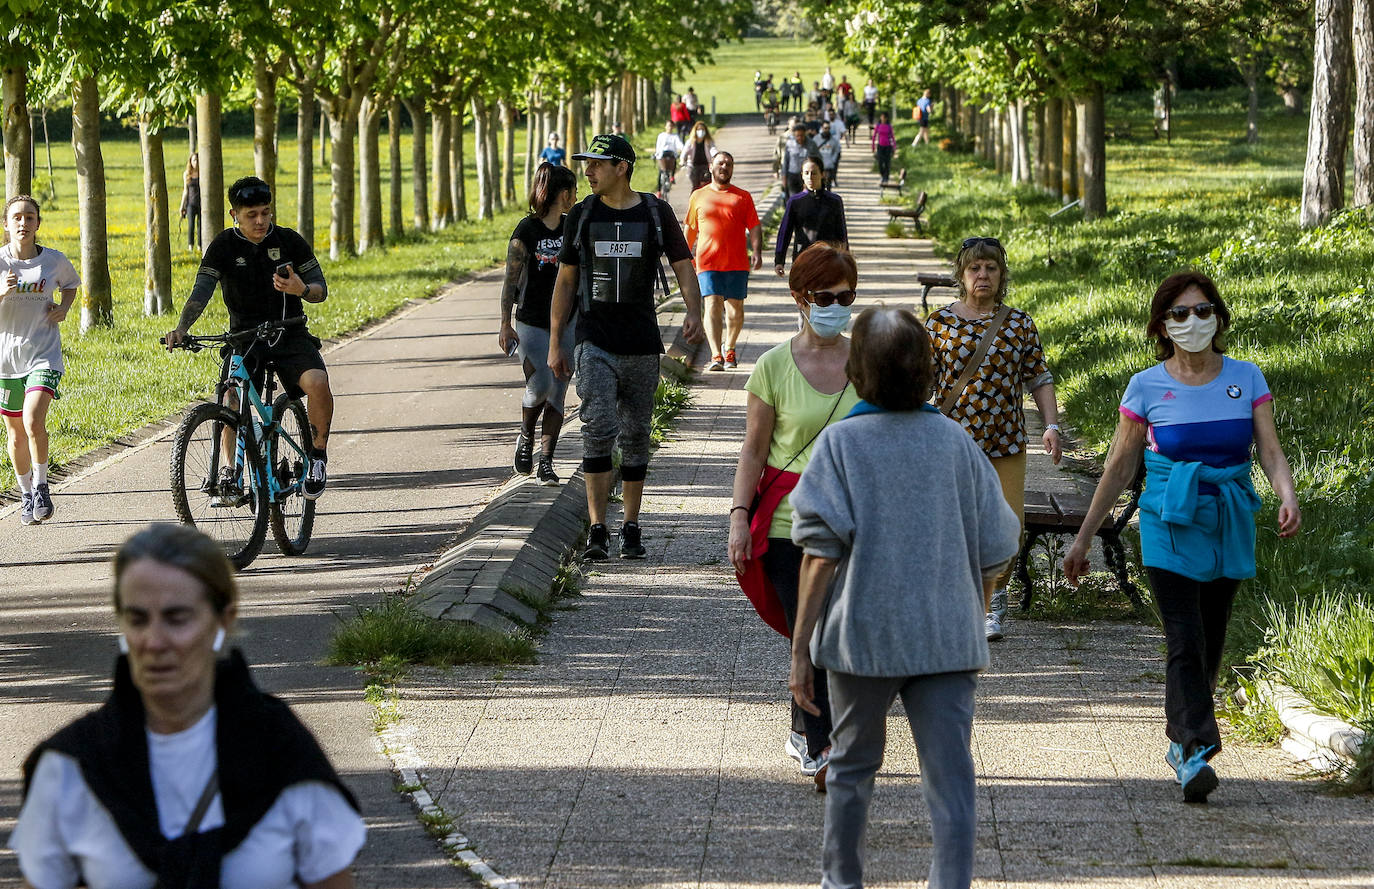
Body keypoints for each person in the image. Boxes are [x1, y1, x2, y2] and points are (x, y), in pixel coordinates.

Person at [788, 306, 1020, 889]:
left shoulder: (840, 445)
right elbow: (998, 546)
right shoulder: (957, 443)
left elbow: (819, 553)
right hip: (947, 641)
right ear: (927, 371)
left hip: (861, 639)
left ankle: (841, 882)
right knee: (951, 779)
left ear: (856, 372)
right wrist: (967, 602)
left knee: (851, 770)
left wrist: (800, 650)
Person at [11, 523, 366, 889]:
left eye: (177, 618)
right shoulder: (73, 767)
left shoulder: (280, 751)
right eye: (137, 619)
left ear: (223, 621)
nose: (154, 641)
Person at [1064, 271, 1301, 804]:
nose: (1192, 321)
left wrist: (1287, 494)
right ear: (1161, 326)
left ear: (1217, 316)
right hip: (1168, 518)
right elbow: (1120, 465)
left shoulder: (1247, 377)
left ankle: (1180, 739)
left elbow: (1269, 450)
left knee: (1212, 636)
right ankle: (1195, 746)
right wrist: (1083, 539)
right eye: (1179, 313)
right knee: (1184, 634)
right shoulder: (1147, 385)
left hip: (1227, 517)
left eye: (1201, 310)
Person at [729, 243, 862, 788]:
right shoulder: (772, 367)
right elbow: (753, 451)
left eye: (846, 296)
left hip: (854, 518)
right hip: (788, 521)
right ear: (800, 299)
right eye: (826, 296)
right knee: (812, 634)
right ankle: (823, 745)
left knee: (833, 632)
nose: (837, 306)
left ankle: (806, 725)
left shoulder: (866, 360)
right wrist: (739, 514)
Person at [548, 134, 704, 562]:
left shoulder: (656, 213)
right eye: (587, 163)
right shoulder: (581, 215)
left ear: (622, 167)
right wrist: (556, 341)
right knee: (598, 428)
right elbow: (565, 281)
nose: (588, 170)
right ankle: (597, 529)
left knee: (636, 436)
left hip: (640, 343)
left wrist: (696, 313)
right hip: (594, 341)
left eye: (597, 164)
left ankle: (631, 525)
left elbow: (684, 266)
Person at [925, 237, 1062, 642]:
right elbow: (920, 383)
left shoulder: (1018, 323)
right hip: (951, 442)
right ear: (961, 275)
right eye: (974, 268)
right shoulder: (939, 323)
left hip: (1005, 441)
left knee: (1009, 526)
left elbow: (1038, 376)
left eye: (990, 268)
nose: (982, 275)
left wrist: (1051, 426)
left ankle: (993, 600)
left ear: (1001, 275)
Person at [164, 176, 334, 500]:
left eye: (265, 213)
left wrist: (301, 289)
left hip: (289, 332)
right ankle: (230, 472)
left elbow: (320, 290)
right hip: (244, 339)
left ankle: (317, 456)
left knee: (318, 383)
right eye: (251, 215)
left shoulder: (289, 241)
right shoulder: (223, 246)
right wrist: (181, 328)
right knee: (230, 397)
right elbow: (201, 291)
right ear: (234, 215)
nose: (260, 221)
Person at [0, 194, 79, 526]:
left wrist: (64, 308)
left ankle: (43, 486)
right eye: (16, 217)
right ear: (6, 224)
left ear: (38, 223)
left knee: (33, 420)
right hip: (5, 360)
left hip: (43, 354)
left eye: (29, 217)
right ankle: (26, 492)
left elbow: (71, 284)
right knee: (16, 433)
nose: (23, 223)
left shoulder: (53, 261)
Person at [499, 162, 579, 486]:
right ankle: (526, 434)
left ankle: (546, 461)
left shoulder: (573, 226)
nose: (576, 196)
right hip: (532, 321)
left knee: (558, 392)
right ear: (563, 194)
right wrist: (505, 323)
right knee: (539, 385)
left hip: (568, 321)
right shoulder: (526, 231)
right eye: (573, 190)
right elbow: (510, 279)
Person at [684, 152, 762, 372]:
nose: (724, 167)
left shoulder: (743, 197)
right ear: (711, 167)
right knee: (712, 304)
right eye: (720, 163)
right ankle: (716, 354)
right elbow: (690, 229)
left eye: (728, 164)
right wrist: (684, 255)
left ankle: (731, 347)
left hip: (737, 262)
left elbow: (754, 226)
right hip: (707, 262)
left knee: (735, 310)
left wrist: (756, 250)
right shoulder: (698, 196)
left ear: (732, 168)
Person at [774, 157, 848, 277]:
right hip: (803, 257)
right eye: (806, 173)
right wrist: (779, 261)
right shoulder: (795, 202)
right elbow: (785, 232)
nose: (810, 177)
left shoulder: (834, 201)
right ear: (802, 175)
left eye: (814, 173)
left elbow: (841, 233)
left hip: (828, 258)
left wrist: (846, 260)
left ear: (822, 174)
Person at [778, 124, 815, 200]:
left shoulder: (811, 144)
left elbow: (817, 160)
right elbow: (786, 161)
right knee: (794, 198)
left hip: (807, 175)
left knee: (806, 198)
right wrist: (784, 177)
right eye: (797, 136)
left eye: (802, 135)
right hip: (792, 175)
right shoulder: (789, 144)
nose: (800, 138)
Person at [652, 120, 684, 197]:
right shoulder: (661, 136)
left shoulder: (675, 136)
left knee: (674, 159)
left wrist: (683, 149)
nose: (669, 127)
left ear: (673, 127)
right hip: (662, 155)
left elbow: (679, 144)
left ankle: (672, 176)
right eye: (668, 125)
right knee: (661, 172)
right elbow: (658, 146)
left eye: (671, 126)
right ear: (665, 126)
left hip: (671, 154)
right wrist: (657, 154)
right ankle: (659, 191)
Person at [684, 122, 717, 192]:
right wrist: (683, 160)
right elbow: (685, 152)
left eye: (702, 129)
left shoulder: (709, 141)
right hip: (693, 167)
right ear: (695, 131)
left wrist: (716, 156)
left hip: (705, 166)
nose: (701, 131)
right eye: (699, 129)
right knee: (695, 186)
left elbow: (713, 150)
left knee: (707, 184)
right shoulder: (691, 142)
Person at [180, 152, 202, 253]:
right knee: (191, 225)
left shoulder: (203, 173)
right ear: (190, 162)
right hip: (190, 204)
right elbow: (185, 191)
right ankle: (190, 246)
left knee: (200, 225)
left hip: (201, 203)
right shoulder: (187, 174)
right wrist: (182, 206)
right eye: (194, 160)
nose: (196, 162)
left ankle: (200, 246)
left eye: (197, 160)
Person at [871, 111, 896, 184]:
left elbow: (892, 137)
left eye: (884, 117)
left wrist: (894, 146)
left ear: (886, 118)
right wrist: (873, 146)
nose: (882, 118)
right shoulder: (878, 125)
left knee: (887, 163)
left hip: (888, 146)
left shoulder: (889, 126)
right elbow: (874, 136)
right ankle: (882, 175)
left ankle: (886, 177)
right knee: (880, 162)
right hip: (880, 146)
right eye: (881, 117)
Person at [816, 121, 842, 188]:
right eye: (825, 128)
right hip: (819, 165)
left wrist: (833, 160)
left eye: (828, 128)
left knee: (828, 185)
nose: (827, 130)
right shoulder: (816, 139)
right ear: (822, 128)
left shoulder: (833, 140)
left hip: (829, 166)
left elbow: (836, 151)